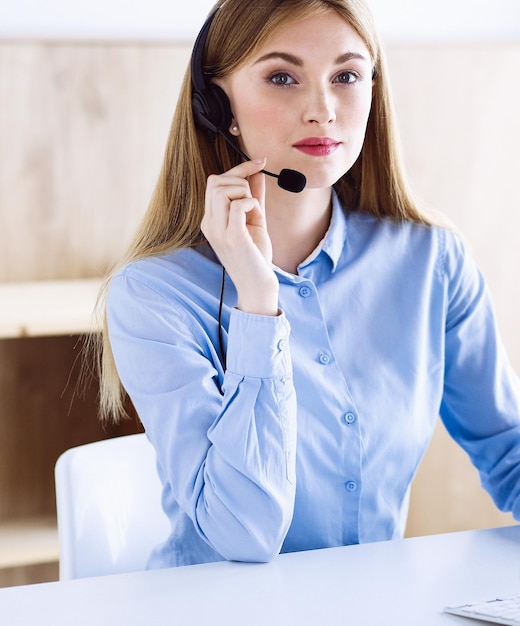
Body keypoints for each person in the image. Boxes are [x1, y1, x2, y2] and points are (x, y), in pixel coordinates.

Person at [97, 0, 520, 569]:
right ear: (218, 106)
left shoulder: (431, 261)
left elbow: (508, 450)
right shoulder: (155, 294)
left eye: (346, 76)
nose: (322, 110)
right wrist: (258, 303)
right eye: (282, 77)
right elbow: (245, 534)